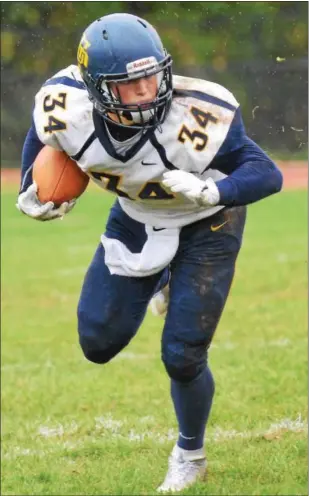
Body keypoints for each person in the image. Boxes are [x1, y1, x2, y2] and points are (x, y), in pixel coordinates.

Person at [17, 13, 283, 493]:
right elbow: (43, 135)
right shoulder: (65, 105)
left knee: (182, 354)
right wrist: (30, 188)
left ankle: (190, 454)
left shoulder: (199, 113)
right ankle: (163, 278)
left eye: (150, 76)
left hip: (209, 221)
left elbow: (265, 172)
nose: (146, 91)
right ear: (96, 88)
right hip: (138, 215)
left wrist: (212, 193)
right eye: (129, 85)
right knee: (97, 344)